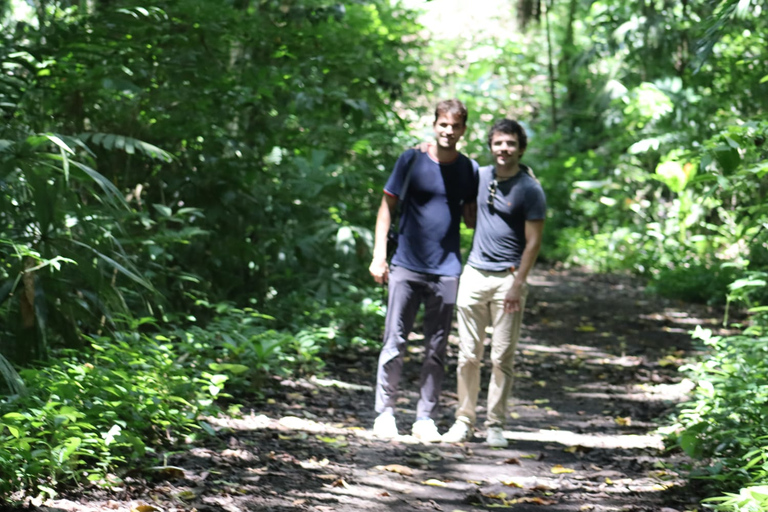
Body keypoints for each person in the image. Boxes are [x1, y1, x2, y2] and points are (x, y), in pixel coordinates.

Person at [369, 99, 478, 443]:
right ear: (434, 125)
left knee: (437, 346)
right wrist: (379, 255)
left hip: (446, 269)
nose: (449, 131)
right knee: (394, 340)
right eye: (443, 124)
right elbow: (387, 207)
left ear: (463, 130)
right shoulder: (411, 159)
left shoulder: (469, 170)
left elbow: (472, 218)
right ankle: (385, 412)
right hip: (405, 263)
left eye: (455, 126)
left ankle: (425, 418)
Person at [441, 118, 546, 447]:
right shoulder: (480, 176)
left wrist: (518, 284)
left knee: (502, 357)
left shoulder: (530, 188)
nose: (504, 149)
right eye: (499, 143)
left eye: (511, 144)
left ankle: (496, 424)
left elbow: (533, 242)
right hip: (474, 273)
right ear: (490, 146)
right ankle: (464, 420)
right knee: (467, 355)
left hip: (508, 279)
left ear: (521, 148)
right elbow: (449, 166)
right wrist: (421, 149)